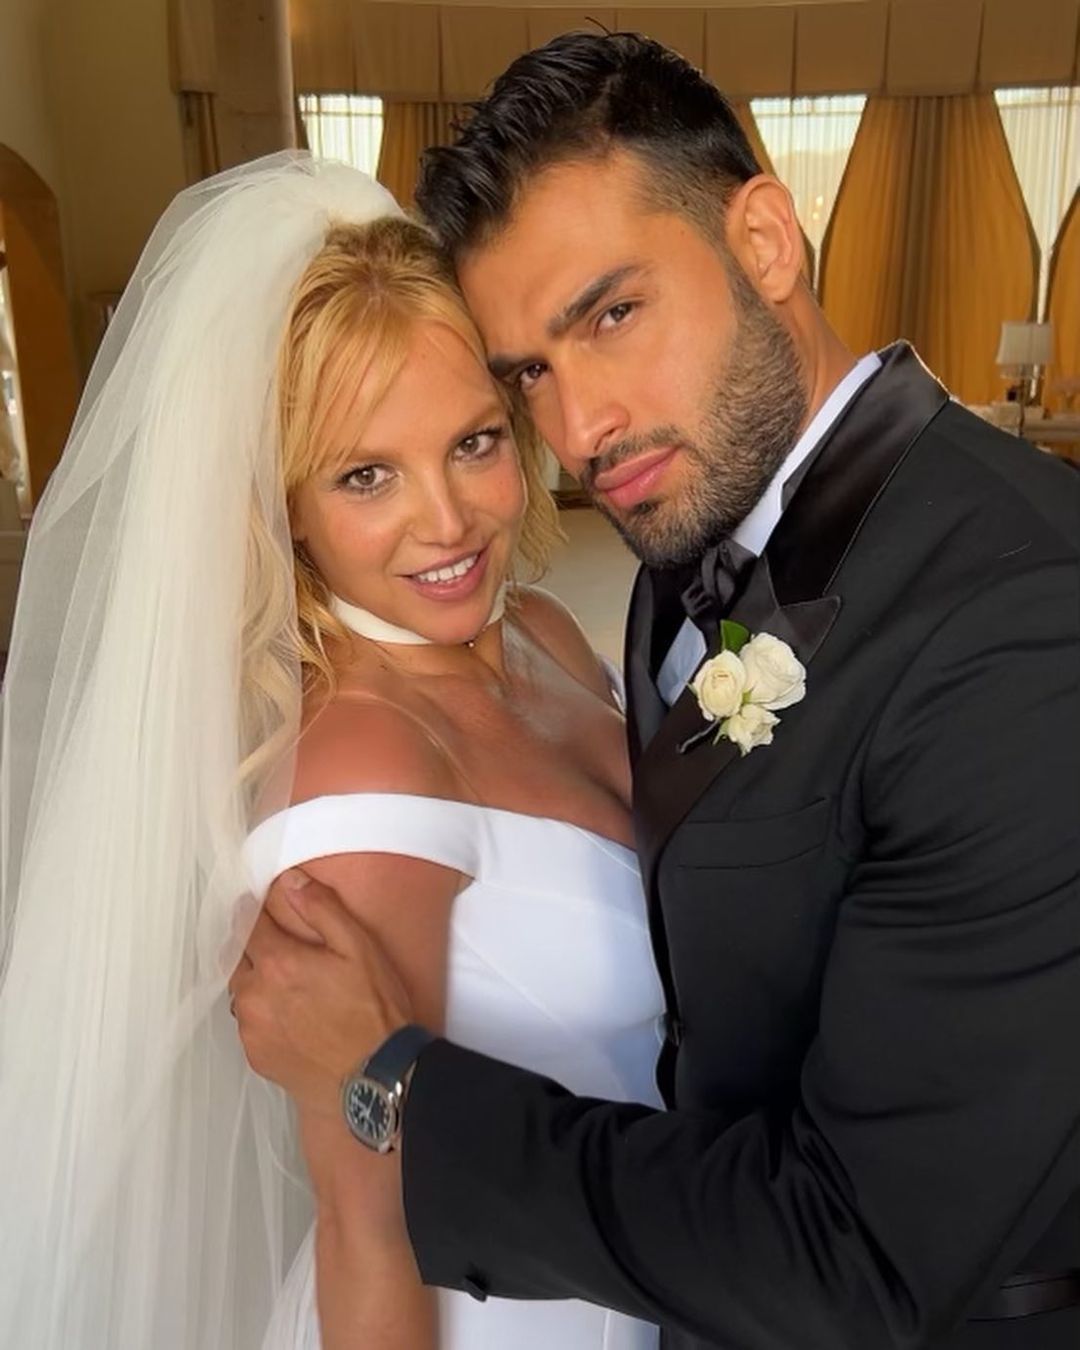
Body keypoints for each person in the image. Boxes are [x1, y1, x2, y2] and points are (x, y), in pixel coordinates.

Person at [232, 32, 1080, 1350]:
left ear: (766, 241)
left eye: (612, 315)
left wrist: (399, 1084)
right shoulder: (680, 550)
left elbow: (864, 1257)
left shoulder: (1024, 621)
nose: (580, 433)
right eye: (529, 375)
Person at [0, 153, 663, 1349]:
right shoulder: (364, 773)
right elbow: (369, 1228)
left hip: (650, 1261)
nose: (447, 521)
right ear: (285, 505)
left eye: (473, 443)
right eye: (367, 476)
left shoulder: (546, 636)